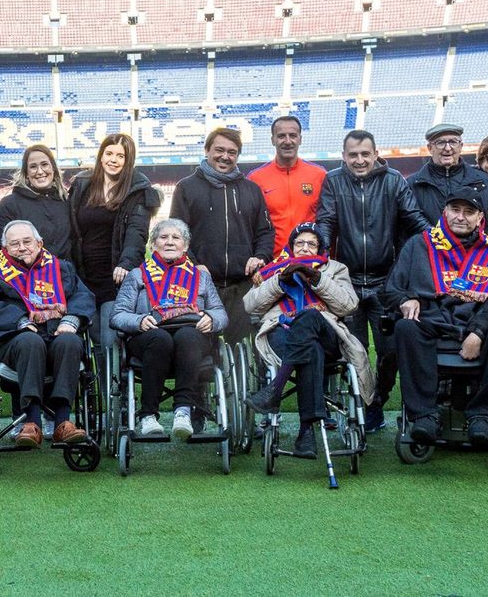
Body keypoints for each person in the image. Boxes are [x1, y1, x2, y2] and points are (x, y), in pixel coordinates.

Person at [313, 129, 430, 431]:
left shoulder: (393, 181)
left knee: (390, 349)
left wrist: (439, 240)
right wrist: (322, 252)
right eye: (353, 155)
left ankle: (380, 395)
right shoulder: (333, 180)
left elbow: (413, 218)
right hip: (347, 282)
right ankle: (365, 405)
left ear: (376, 153)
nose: (360, 160)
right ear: (344, 156)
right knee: (356, 350)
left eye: (366, 154)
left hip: (385, 282)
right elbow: (326, 220)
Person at [385, 190, 488, 447]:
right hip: (432, 321)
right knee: (405, 327)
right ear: (444, 211)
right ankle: (424, 415)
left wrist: (478, 331)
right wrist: (406, 298)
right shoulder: (419, 244)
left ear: (480, 217)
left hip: (475, 322)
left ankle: (484, 415)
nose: (461, 217)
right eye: (455, 210)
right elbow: (392, 290)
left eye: (469, 212)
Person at [242, 223, 375, 457]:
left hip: (327, 333)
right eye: (299, 243)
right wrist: (278, 282)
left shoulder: (334, 268)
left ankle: (276, 389)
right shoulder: (273, 269)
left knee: (310, 316)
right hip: (282, 331)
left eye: (311, 243)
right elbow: (250, 306)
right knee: (309, 350)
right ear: (291, 247)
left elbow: (349, 305)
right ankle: (306, 432)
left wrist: (317, 278)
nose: (304, 248)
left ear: (321, 247)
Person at [0, 220, 96, 447]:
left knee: (70, 341)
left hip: (56, 334)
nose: (22, 247)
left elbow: (83, 296)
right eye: (14, 243)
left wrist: (71, 320)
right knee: (30, 340)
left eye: (27, 241)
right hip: (14, 342)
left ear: (39, 243)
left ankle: (62, 423)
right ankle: (32, 422)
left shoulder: (61, 267)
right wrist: (19, 320)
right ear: (5, 249)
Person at [110, 219, 228, 440]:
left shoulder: (201, 276)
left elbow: (221, 313)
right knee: (160, 339)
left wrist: (211, 318)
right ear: (153, 244)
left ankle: (183, 412)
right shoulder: (137, 275)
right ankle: (148, 416)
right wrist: (139, 321)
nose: (170, 242)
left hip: (191, 333)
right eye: (163, 237)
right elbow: (117, 315)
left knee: (187, 336)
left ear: (185, 246)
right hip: (149, 334)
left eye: (176, 238)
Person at [170, 128, 273, 346]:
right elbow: (176, 234)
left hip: (241, 285)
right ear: (207, 150)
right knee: (202, 350)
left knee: (240, 346)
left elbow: (265, 232)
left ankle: (247, 381)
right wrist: (194, 265)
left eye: (232, 152)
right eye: (219, 150)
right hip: (201, 283)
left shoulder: (252, 190)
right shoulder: (186, 187)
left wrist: (260, 256)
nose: (225, 156)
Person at [407, 123, 488, 238]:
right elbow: (408, 229)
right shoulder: (413, 185)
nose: (448, 148)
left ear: (461, 146)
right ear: (430, 148)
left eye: (453, 142)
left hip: (476, 254)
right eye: (440, 143)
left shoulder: (484, 181)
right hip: (430, 253)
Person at [247, 116, 328, 253]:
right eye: (281, 136)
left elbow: (328, 220)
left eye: (293, 135)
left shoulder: (320, 175)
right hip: (272, 262)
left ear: (300, 139)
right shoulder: (255, 178)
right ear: (272, 140)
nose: (288, 141)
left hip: (310, 260)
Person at [0, 144, 71, 259]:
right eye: (33, 167)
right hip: (29, 276)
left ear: (53, 168)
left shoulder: (66, 200)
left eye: (44, 164)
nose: (40, 171)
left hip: (66, 275)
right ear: (26, 173)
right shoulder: (9, 205)